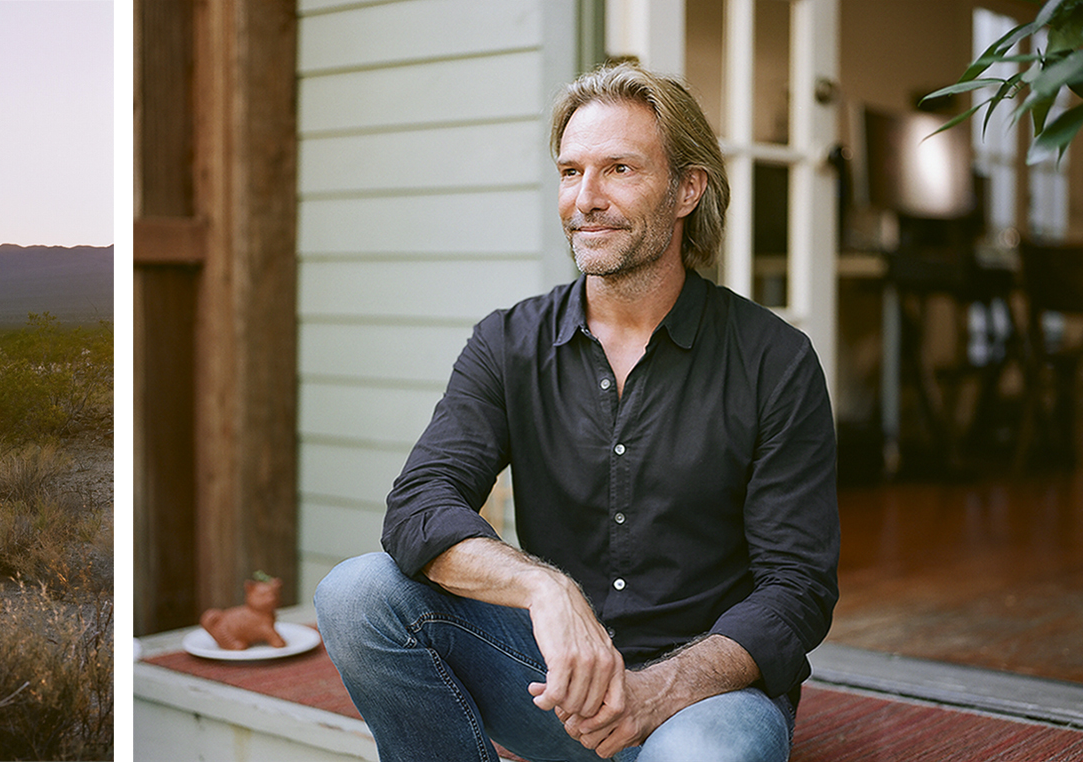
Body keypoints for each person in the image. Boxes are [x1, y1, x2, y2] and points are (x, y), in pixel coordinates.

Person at [313, 62, 839, 762]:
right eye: (570, 172)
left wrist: (655, 691)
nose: (584, 199)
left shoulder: (775, 361)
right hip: (550, 686)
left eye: (619, 169)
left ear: (688, 188)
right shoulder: (507, 343)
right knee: (357, 594)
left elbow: (795, 590)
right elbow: (417, 505)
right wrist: (543, 588)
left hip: (703, 703)